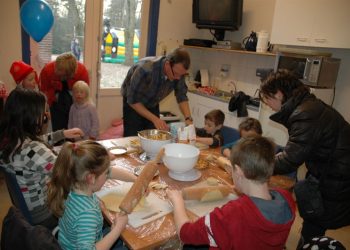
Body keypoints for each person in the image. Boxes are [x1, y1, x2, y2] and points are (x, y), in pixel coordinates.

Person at [259, 69, 350, 244]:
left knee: (315, 220)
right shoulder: (307, 105)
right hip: (332, 170)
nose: (267, 104)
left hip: (338, 177)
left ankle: (309, 245)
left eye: (267, 99)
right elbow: (296, 148)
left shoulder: (305, 113)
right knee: (314, 218)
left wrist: (257, 165)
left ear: (278, 94)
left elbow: (289, 160)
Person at [167, 136, 296, 249]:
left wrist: (178, 201)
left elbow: (185, 234)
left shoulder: (232, 213)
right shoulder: (287, 199)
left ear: (239, 171)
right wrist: (244, 190)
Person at [0, 88, 84, 230]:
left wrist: (62, 133)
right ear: (30, 116)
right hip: (45, 215)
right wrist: (101, 158)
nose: (46, 116)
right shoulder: (33, 150)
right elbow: (73, 172)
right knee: (89, 198)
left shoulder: (9, 140)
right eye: (43, 112)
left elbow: (37, 141)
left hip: (27, 211)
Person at [47, 140, 137, 250]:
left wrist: (136, 181)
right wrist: (117, 230)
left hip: (69, 242)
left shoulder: (70, 184)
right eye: (106, 173)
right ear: (91, 178)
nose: (108, 175)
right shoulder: (88, 213)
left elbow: (111, 171)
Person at [121, 47, 193, 136]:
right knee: (132, 137)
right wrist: (154, 119)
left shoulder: (178, 72)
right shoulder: (145, 70)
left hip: (152, 102)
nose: (178, 78)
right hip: (133, 103)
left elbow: (181, 95)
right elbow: (133, 101)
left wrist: (188, 118)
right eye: (176, 74)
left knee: (153, 136)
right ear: (167, 64)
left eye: (181, 75)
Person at [40, 52, 90, 131]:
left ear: (70, 73)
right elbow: (43, 91)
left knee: (75, 126)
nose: (56, 71)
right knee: (58, 129)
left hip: (75, 101)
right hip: (55, 103)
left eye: (60, 70)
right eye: (56, 68)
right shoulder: (47, 70)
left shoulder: (82, 72)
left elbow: (85, 93)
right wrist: (45, 110)